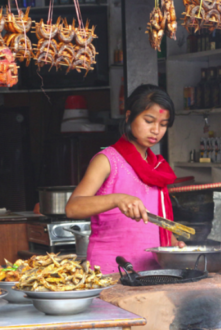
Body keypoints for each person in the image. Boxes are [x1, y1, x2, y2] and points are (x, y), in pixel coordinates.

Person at [66, 84, 185, 274]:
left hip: (153, 271)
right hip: (110, 270)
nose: (156, 130)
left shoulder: (157, 168)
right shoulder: (107, 160)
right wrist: (117, 198)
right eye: (149, 121)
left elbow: (156, 225)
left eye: (163, 125)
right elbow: (73, 208)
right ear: (129, 117)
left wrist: (174, 246)